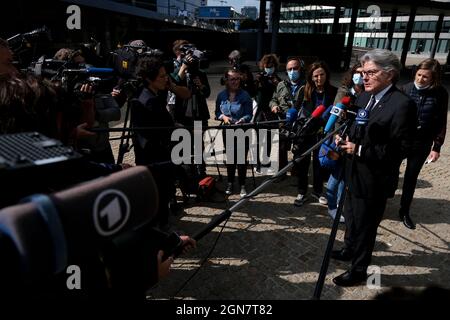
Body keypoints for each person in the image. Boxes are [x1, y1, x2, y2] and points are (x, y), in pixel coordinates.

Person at [331, 49, 417, 287]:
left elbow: (401, 149)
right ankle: (349, 249)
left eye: (370, 73)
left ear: (389, 75)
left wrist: (358, 150)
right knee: (351, 217)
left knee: (365, 228)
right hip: (353, 173)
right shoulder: (364, 97)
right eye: (362, 72)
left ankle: (359, 271)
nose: (364, 77)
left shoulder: (402, 105)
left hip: (374, 180)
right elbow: (355, 128)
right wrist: (343, 138)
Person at [398, 59, 448, 229]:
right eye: (419, 75)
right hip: (401, 140)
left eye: (425, 77)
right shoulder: (404, 89)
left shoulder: (441, 93)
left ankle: (404, 211)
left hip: (421, 143)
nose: (420, 79)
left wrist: (437, 147)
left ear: (434, 78)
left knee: (411, 178)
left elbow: (441, 120)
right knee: (388, 172)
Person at [325, 62, 364, 222]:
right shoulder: (344, 92)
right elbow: (335, 115)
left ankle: (341, 207)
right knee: (335, 178)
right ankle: (332, 207)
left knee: (344, 180)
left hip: (356, 143)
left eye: (363, 73)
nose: (360, 77)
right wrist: (336, 135)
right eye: (357, 72)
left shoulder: (368, 94)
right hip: (340, 140)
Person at [294, 61, 337, 206]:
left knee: (320, 164)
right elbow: (296, 109)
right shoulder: (303, 90)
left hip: (323, 133)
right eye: (316, 76)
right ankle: (301, 192)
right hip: (305, 132)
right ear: (311, 77)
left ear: (327, 75)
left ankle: (318, 191)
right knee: (303, 164)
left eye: (322, 75)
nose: (319, 79)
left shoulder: (333, 91)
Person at [215, 69, 253, 197]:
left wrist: (242, 120)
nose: (235, 81)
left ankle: (242, 185)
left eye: (237, 79)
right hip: (228, 131)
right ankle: (230, 182)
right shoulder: (221, 96)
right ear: (227, 80)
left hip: (242, 130)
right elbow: (217, 113)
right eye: (232, 79)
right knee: (230, 158)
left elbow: (249, 114)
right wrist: (224, 118)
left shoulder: (245, 95)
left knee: (241, 159)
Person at [269, 56, 306, 177]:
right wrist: (274, 106)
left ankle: (296, 170)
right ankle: (282, 172)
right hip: (283, 121)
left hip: (301, 123)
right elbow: (273, 99)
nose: (292, 71)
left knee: (299, 148)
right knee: (281, 148)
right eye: (289, 69)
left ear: (301, 69)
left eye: (295, 68)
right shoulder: (281, 85)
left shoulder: (307, 86)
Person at [254, 53, 281, 173]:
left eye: (271, 66)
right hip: (260, 112)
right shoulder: (259, 78)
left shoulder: (278, 80)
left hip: (272, 112)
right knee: (259, 139)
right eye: (267, 66)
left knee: (269, 139)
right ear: (263, 66)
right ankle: (257, 162)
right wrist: (257, 81)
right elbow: (254, 92)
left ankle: (266, 160)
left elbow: (281, 95)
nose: (269, 68)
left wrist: (276, 83)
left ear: (275, 66)